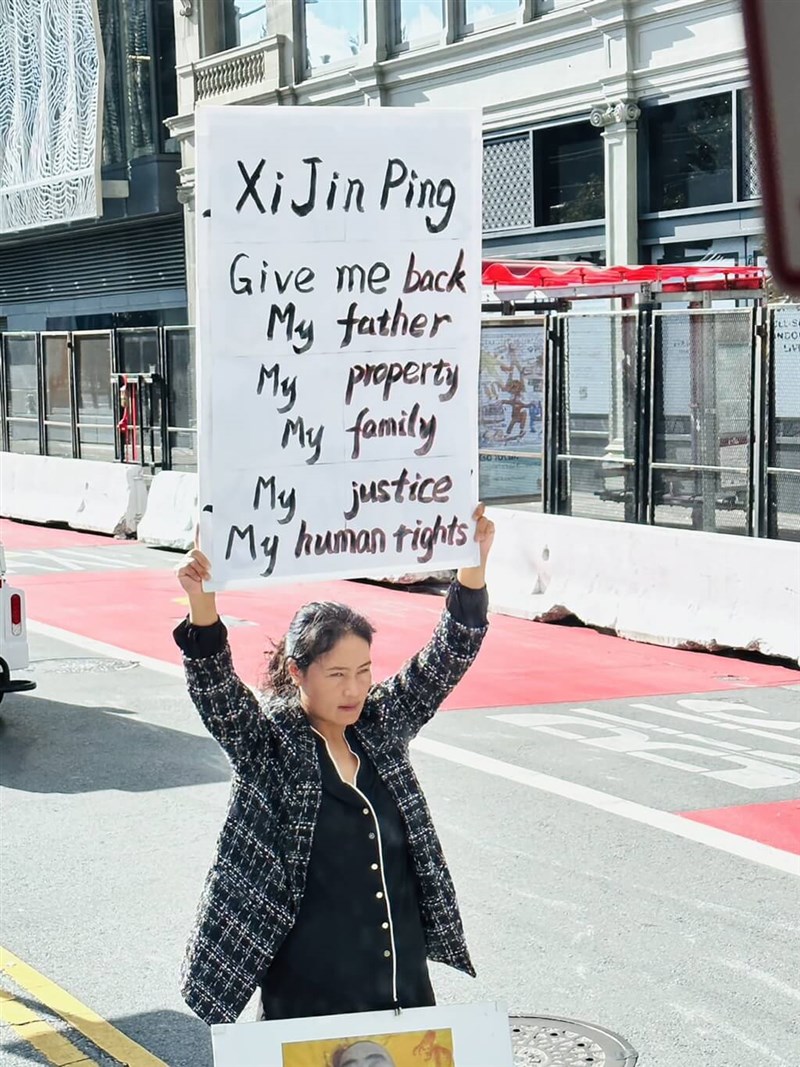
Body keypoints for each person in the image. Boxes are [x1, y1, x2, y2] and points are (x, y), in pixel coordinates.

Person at [174, 505, 495, 1026]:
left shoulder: (381, 726)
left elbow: (447, 655)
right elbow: (216, 691)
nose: (354, 689)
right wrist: (201, 603)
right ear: (297, 672)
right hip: (309, 1000)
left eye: (364, 671)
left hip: (401, 986)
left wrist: (472, 568)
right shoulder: (268, 747)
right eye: (338, 674)